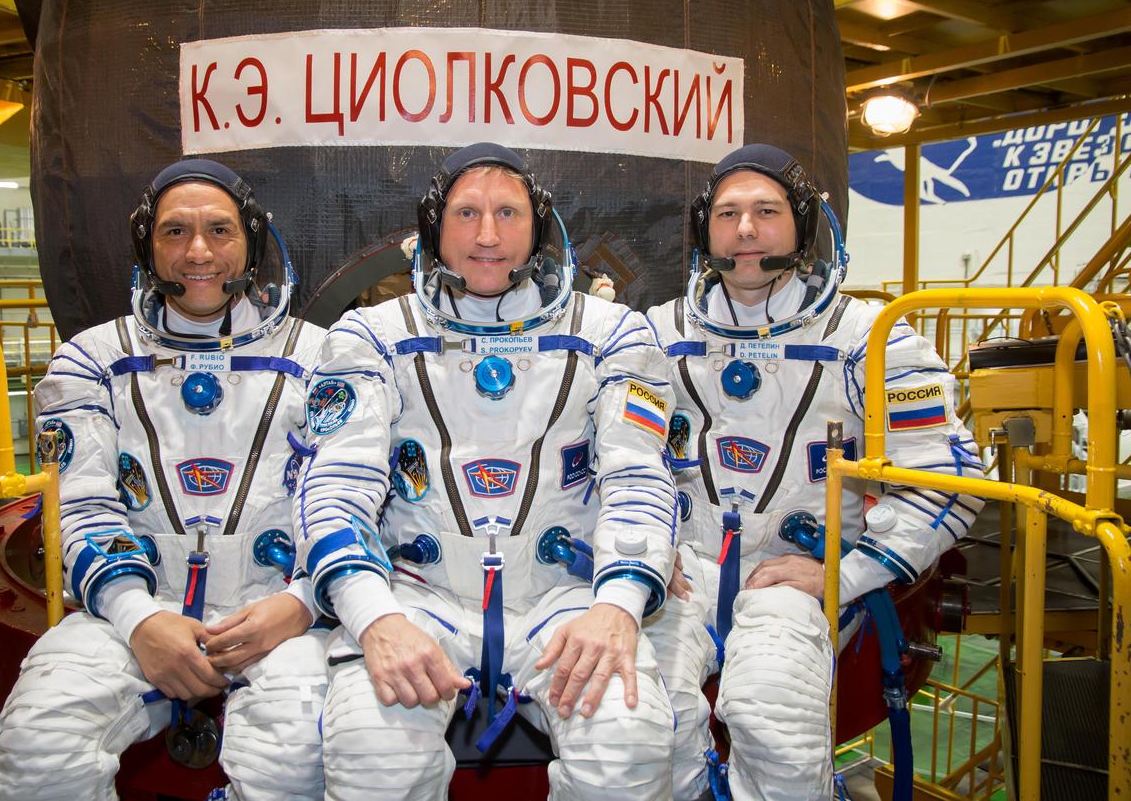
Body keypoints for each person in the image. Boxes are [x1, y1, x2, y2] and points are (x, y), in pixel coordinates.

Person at [295, 142, 678, 799]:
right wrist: (375, 618)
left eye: (508, 212)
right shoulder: (370, 336)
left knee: (628, 746)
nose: (489, 235)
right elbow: (335, 490)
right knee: (371, 756)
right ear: (433, 229)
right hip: (418, 597)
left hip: (566, 600)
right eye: (467, 213)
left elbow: (637, 479)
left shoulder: (615, 333)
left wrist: (617, 604)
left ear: (540, 226)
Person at [645, 143, 985, 800]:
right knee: (636, 729)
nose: (745, 230)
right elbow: (609, 459)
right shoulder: (657, 335)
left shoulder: (873, 340)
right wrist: (644, 553)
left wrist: (843, 574)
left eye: (766, 211)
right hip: (684, 578)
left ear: (803, 224)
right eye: (728, 213)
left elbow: (949, 478)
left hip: (799, 588)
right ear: (703, 229)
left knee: (774, 725)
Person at [0, 159, 328, 801]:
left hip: (279, 614)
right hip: (132, 614)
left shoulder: (323, 356)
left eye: (219, 231)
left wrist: (302, 603)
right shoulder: (90, 359)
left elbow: (348, 501)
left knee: (299, 756)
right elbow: (81, 507)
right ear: (146, 244)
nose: (198, 251)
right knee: (40, 747)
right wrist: (140, 618)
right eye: (175, 232)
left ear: (252, 242)